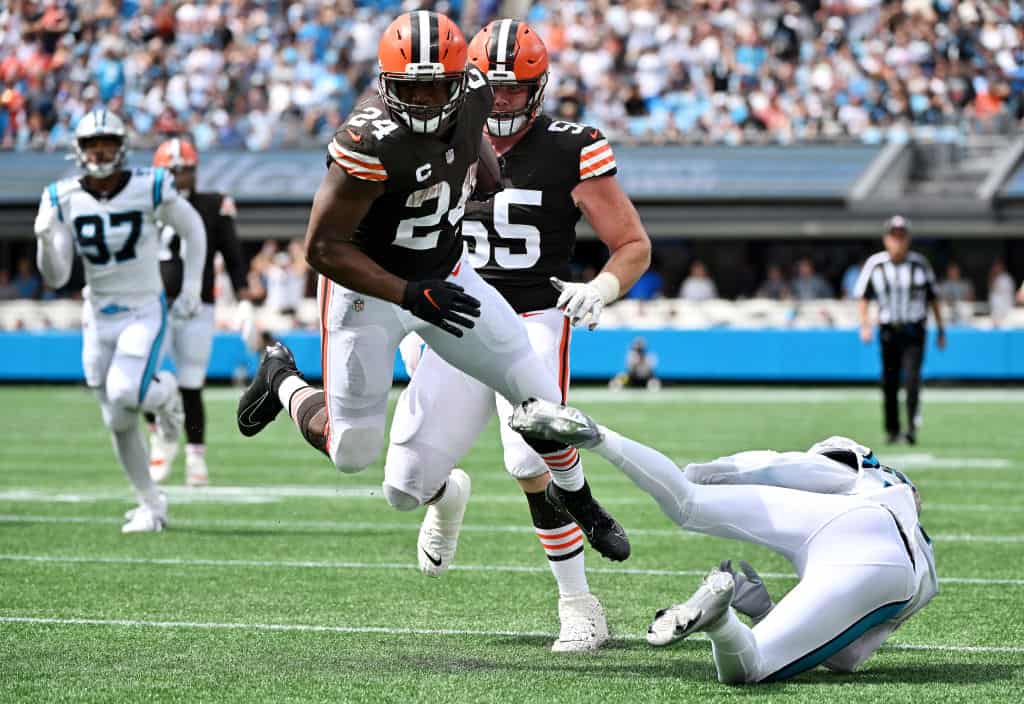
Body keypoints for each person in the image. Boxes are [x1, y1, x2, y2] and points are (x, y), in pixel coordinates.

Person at [235, 11, 629, 566]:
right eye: (410, 87)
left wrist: (485, 180)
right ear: (385, 84)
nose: (424, 99)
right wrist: (405, 294)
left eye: (436, 85)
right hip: (367, 291)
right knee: (353, 452)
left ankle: (583, 501)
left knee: (530, 381)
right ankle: (281, 377)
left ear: (461, 80)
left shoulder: (473, 94)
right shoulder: (366, 142)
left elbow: (475, 145)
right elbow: (322, 249)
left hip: (445, 274)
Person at [388, 18, 651, 652]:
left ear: (539, 87)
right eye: (493, 88)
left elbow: (632, 245)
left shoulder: (572, 147)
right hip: (454, 316)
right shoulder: (429, 137)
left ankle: (579, 603)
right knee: (403, 488)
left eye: (517, 88)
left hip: (532, 313)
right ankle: (445, 493)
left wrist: (603, 288)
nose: (503, 100)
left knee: (528, 455)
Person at [510, 399, 937, 685]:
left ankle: (599, 436)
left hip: (843, 528)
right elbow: (846, 658)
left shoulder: (848, 468)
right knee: (750, 668)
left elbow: (769, 467)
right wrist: (763, 609)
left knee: (688, 503)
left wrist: (698, 474)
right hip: (899, 575)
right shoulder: (922, 550)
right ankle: (720, 621)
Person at [33, 108, 207, 532]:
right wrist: (43, 239)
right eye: (92, 145)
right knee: (117, 417)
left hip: (144, 308)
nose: (100, 152)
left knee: (126, 390)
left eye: (107, 143)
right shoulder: (61, 195)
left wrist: (191, 288)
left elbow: (194, 228)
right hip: (97, 313)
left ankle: (165, 398)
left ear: (122, 148)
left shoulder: (151, 185)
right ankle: (151, 504)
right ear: (79, 151)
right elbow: (55, 276)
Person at [143, 138, 249, 487]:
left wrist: (244, 298)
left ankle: (195, 458)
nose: (178, 177)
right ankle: (160, 439)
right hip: (150, 304)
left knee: (191, 383)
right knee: (142, 379)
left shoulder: (213, 205)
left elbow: (233, 255)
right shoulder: (142, 202)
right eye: (172, 171)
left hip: (196, 305)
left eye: (184, 170)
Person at [854, 216, 945, 445]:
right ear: (886, 239)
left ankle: (912, 428)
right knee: (889, 381)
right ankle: (892, 429)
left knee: (913, 380)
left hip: (914, 330)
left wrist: (942, 329)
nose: (897, 242)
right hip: (888, 330)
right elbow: (863, 298)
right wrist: (864, 325)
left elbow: (933, 298)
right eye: (894, 237)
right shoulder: (876, 264)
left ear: (908, 240)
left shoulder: (919, 264)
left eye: (901, 237)